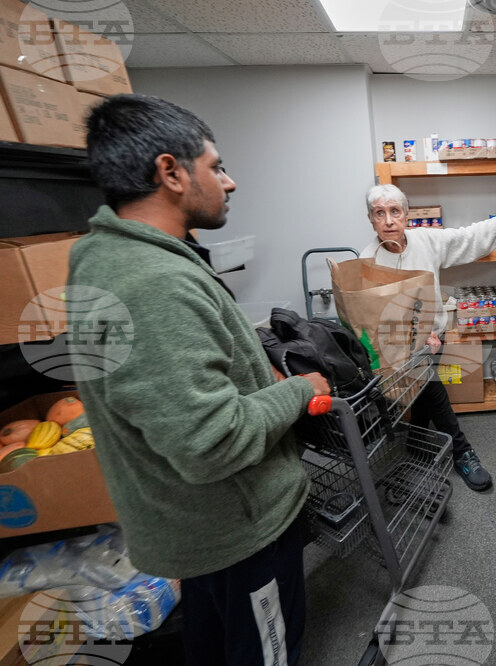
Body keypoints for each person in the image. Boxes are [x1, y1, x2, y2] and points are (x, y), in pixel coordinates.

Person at [69, 94, 329, 666]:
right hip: (235, 532)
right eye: (216, 166)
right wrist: (300, 389)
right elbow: (211, 443)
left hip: (196, 526)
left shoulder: (106, 255)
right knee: (265, 652)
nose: (229, 182)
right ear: (171, 172)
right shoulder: (151, 283)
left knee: (215, 646)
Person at [360, 184, 496, 491]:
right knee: (431, 387)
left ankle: (417, 450)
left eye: (394, 211)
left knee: (424, 392)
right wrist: (413, 338)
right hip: (397, 345)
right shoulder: (368, 261)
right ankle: (462, 451)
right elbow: (371, 316)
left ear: (405, 214)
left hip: (436, 336)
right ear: (371, 220)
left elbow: (465, 237)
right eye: (380, 213)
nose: (389, 220)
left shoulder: (425, 239)